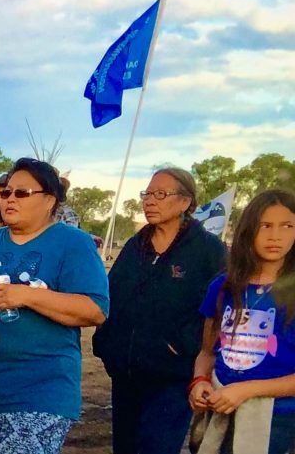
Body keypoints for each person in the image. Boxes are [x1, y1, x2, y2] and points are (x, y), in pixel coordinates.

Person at [0, 157, 108, 454]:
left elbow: (95, 309)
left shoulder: (72, 243)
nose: (9, 199)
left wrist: (27, 296)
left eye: (21, 193)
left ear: (49, 200)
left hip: (36, 394)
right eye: (6, 192)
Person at [93, 168, 226, 454]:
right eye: (147, 194)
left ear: (185, 202)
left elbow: (220, 308)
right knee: (125, 448)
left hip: (173, 375)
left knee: (156, 448)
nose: (150, 201)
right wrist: (105, 343)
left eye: (160, 194)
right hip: (126, 372)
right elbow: (111, 294)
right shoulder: (135, 245)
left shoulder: (208, 250)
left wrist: (184, 346)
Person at [189, 189, 295, 454]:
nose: (275, 236)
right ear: (248, 230)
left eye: (287, 226)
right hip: (221, 412)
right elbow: (206, 352)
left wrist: (246, 390)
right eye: (265, 226)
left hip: (279, 422)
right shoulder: (222, 287)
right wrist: (199, 381)